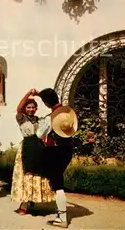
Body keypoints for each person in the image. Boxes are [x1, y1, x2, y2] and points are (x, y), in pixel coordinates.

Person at [34, 88, 77, 228]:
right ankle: (61, 214)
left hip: (55, 151)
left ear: (46, 103)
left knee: (58, 185)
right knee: (57, 181)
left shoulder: (49, 117)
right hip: (67, 150)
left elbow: (40, 134)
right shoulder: (66, 113)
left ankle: (62, 218)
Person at [11, 89, 54, 214]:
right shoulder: (22, 118)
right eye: (28, 107)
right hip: (27, 147)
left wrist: (41, 94)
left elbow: (53, 111)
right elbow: (19, 108)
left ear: (36, 108)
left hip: (39, 147)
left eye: (33, 107)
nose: (31, 109)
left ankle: (33, 198)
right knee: (26, 175)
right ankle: (24, 204)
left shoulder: (40, 120)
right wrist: (29, 93)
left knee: (38, 174)